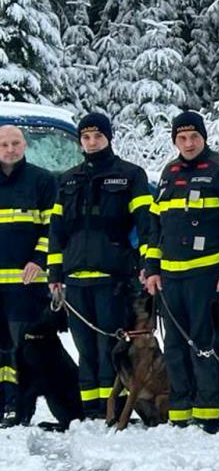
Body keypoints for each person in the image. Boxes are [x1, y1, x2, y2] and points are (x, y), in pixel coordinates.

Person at [145, 111, 219, 431]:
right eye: (182, 138)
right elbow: (155, 226)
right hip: (171, 277)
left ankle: (210, 410)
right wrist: (152, 268)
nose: (188, 143)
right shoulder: (168, 172)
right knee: (175, 345)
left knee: (205, 343)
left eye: (194, 137)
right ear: (174, 140)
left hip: (208, 275)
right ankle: (180, 410)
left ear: (204, 137)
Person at [48, 112, 152, 418]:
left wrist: (149, 264)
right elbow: (56, 231)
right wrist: (55, 273)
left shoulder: (130, 175)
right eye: (86, 137)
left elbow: (146, 225)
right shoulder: (67, 179)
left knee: (110, 349)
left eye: (98, 136)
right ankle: (90, 409)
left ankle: (113, 409)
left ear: (109, 137)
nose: (92, 143)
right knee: (85, 350)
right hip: (76, 279)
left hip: (114, 278)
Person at [0, 125, 58, 422]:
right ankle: (4, 404)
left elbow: (52, 228)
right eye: (4, 144)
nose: (10, 149)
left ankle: (18, 408)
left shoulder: (42, 180)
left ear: (24, 145)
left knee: (20, 351)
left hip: (27, 285)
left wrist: (39, 259)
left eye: (15, 143)